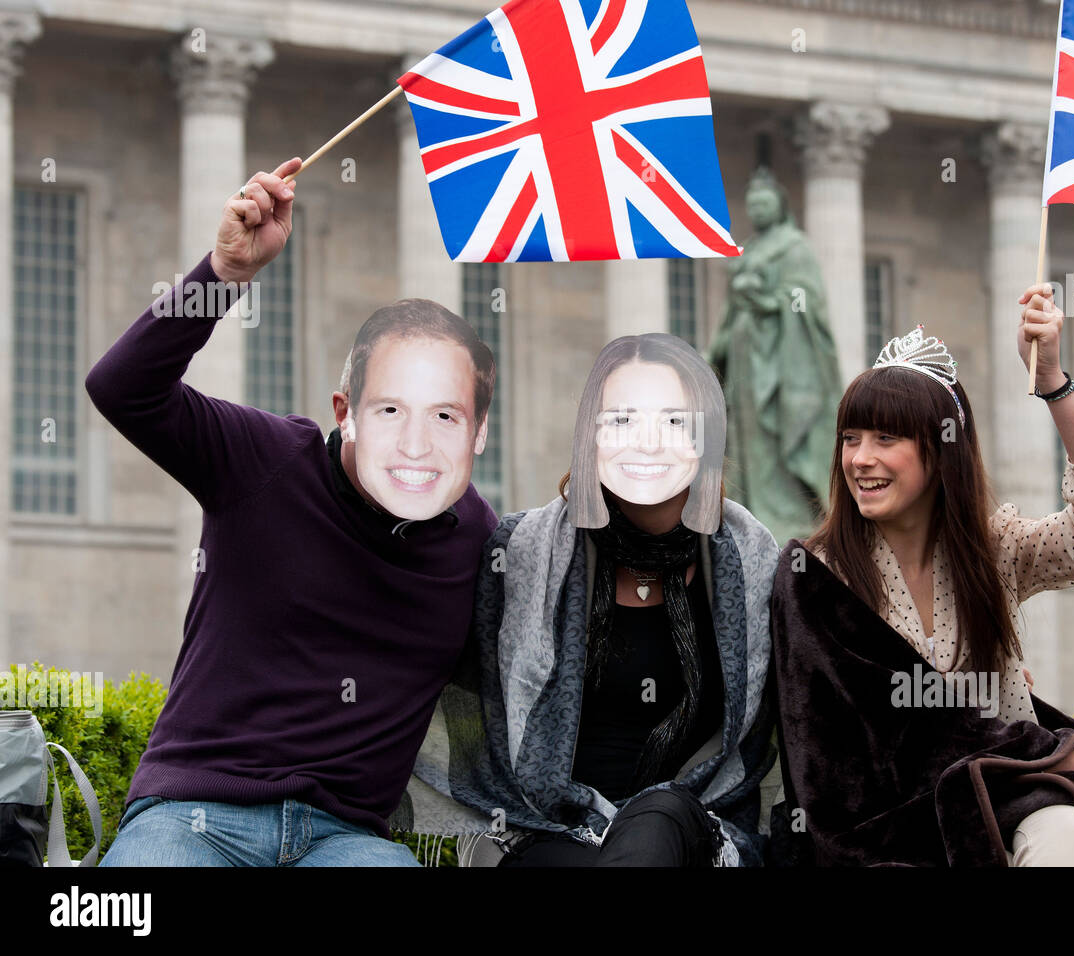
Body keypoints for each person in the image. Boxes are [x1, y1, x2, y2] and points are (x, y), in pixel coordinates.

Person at [91, 158, 498, 866]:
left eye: (445, 416)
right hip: (195, 816)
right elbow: (123, 388)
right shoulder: (264, 459)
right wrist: (221, 274)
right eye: (391, 409)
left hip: (345, 842)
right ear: (345, 412)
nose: (414, 443)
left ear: (478, 435)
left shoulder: (476, 537)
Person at [768, 285, 1074, 867]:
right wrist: (1038, 754)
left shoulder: (993, 549)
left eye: (885, 438)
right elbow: (852, 743)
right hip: (879, 826)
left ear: (940, 450)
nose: (860, 458)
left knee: (1071, 831)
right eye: (850, 438)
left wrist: (1052, 383)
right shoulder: (816, 573)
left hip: (1007, 800)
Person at [406, 333, 779, 866]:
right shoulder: (520, 555)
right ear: (590, 437)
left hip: (693, 829)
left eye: (675, 421)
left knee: (658, 817)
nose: (647, 442)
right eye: (621, 420)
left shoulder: (753, 563)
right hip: (548, 829)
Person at [706, 168, 841, 547]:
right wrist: (714, 350)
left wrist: (768, 302)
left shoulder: (794, 246)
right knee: (747, 437)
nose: (757, 209)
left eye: (764, 202)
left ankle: (785, 517)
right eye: (752, 204)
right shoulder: (750, 249)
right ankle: (749, 512)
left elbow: (805, 301)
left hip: (783, 362)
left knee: (774, 435)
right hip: (745, 359)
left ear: (779, 205)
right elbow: (728, 314)